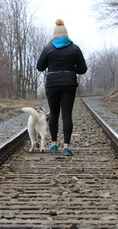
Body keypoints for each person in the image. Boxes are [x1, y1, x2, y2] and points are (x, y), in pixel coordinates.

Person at [36, 19, 87, 156]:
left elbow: (40, 67)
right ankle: (66, 146)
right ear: (66, 34)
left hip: (52, 84)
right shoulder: (74, 48)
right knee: (67, 114)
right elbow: (83, 69)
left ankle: (53, 144)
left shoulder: (48, 48)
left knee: (54, 113)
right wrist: (70, 69)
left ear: (54, 34)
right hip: (69, 84)